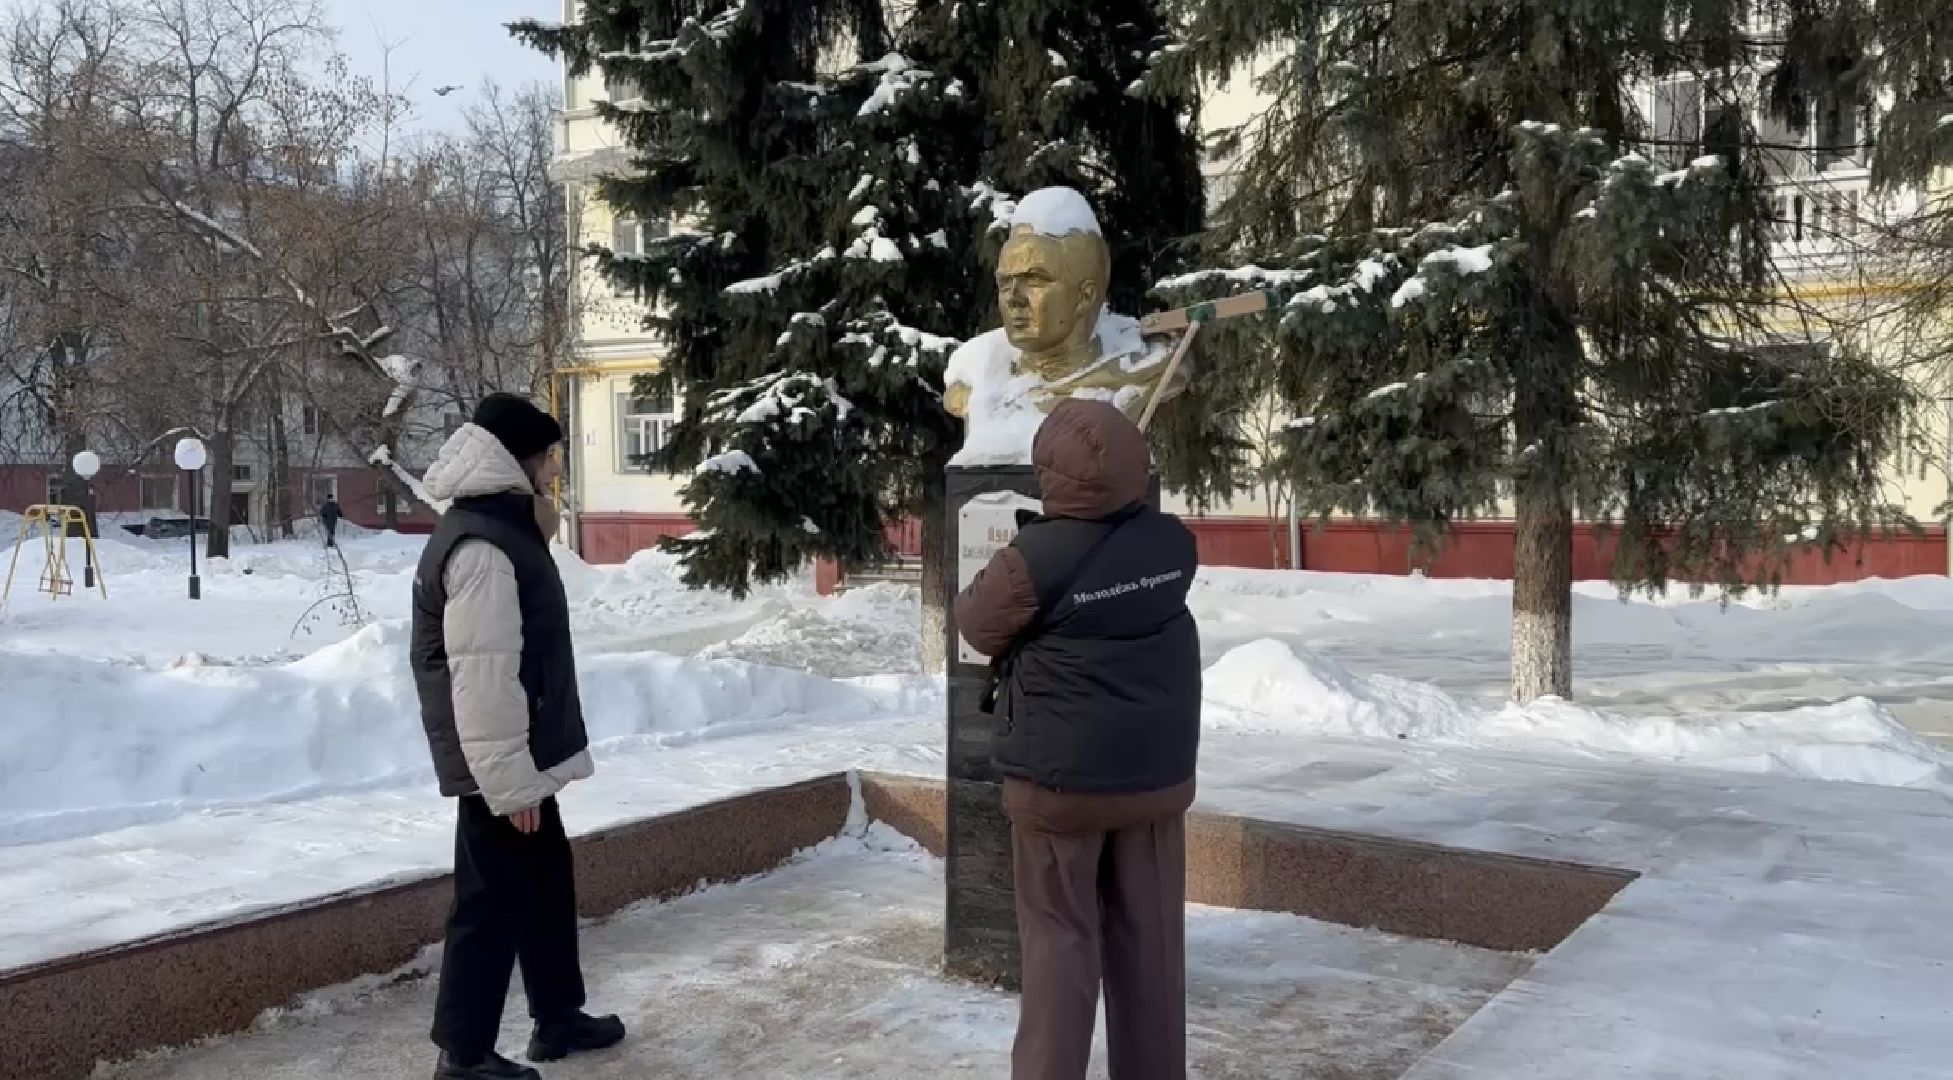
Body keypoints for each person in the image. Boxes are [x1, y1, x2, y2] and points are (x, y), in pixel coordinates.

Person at [954, 398, 1202, 1080]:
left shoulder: (1031, 558)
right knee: (1152, 950)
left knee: (1059, 949)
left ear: (1049, 473)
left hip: (1059, 787)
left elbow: (975, 624)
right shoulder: (1173, 544)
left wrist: (1028, 545)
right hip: (1153, 784)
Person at [411, 393, 624, 1080]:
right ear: (516, 459)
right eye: (548, 456)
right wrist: (509, 783)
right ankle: (463, 1054)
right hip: (497, 759)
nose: (555, 469)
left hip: (518, 750)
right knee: (489, 902)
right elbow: (482, 675)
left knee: (543, 885)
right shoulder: (481, 546)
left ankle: (556, 1017)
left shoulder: (503, 528)